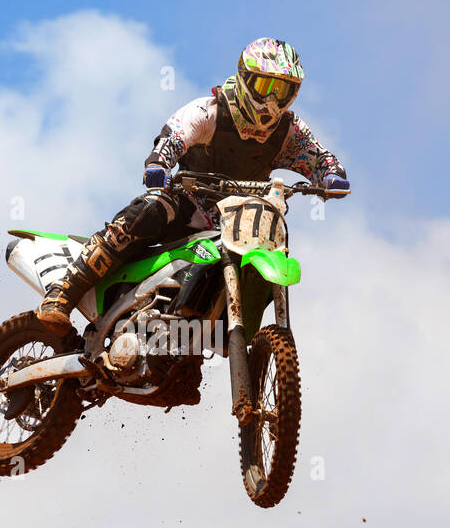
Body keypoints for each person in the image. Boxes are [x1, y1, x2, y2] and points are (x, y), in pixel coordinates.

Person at [35, 37, 350, 333]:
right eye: (265, 85)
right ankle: (63, 292)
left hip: (239, 221)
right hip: (187, 205)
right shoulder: (209, 110)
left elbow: (319, 157)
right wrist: (159, 163)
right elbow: (173, 137)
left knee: (274, 243)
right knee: (148, 209)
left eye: (281, 90)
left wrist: (331, 176)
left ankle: (198, 353)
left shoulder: (288, 130)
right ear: (244, 79)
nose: (271, 99)